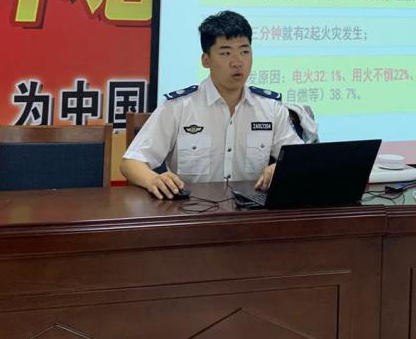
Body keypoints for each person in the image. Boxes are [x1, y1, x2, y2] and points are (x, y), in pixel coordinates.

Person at [121, 11, 303, 199]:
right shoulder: (179, 106)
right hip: (190, 209)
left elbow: (301, 158)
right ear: (206, 60)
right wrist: (153, 179)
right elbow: (131, 163)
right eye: (226, 53)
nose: (237, 62)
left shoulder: (270, 107)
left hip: (251, 210)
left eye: (244, 52)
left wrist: (280, 168)